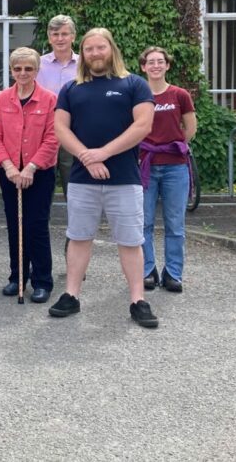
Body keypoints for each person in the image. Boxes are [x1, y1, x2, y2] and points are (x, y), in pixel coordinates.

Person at [50, 28, 158, 328]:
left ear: (112, 49)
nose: (95, 54)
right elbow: (61, 129)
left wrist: (104, 153)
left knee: (130, 241)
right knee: (79, 237)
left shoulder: (134, 84)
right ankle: (71, 295)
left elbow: (143, 126)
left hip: (124, 179)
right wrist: (87, 156)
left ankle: (138, 300)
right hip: (83, 179)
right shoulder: (71, 89)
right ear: (82, 54)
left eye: (100, 48)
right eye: (89, 49)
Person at [0, 47, 59, 303]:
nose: (23, 73)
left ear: (37, 71)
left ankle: (42, 280)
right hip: (10, 172)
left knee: (36, 226)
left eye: (28, 68)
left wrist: (31, 167)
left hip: (39, 172)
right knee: (15, 225)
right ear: (11, 71)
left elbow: (53, 137)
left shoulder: (49, 99)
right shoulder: (2, 99)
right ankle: (17, 277)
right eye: (17, 68)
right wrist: (9, 167)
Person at [138, 46, 197, 293]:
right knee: (144, 223)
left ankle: (173, 273)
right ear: (143, 67)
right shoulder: (137, 94)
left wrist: (174, 146)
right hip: (145, 166)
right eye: (150, 62)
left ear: (167, 65)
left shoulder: (179, 94)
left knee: (175, 224)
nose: (155, 66)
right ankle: (147, 270)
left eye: (160, 61)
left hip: (175, 167)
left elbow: (190, 128)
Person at [36, 14, 79, 201]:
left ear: (73, 36)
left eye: (64, 33)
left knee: (75, 185)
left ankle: (78, 229)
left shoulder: (85, 65)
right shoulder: (37, 64)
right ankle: (40, 228)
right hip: (44, 131)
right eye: (55, 34)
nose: (60, 38)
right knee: (42, 187)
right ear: (49, 36)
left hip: (75, 130)